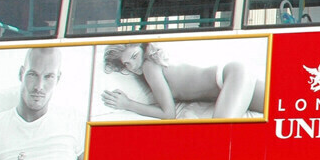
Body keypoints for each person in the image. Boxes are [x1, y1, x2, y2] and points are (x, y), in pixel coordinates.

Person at [100, 42, 265, 119]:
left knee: (220, 136)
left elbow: (168, 114)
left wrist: (127, 104)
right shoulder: (154, 64)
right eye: (127, 64)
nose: (132, 66)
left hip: (230, 77)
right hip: (235, 76)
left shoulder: (149, 66)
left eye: (134, 56)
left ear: (143, 47)